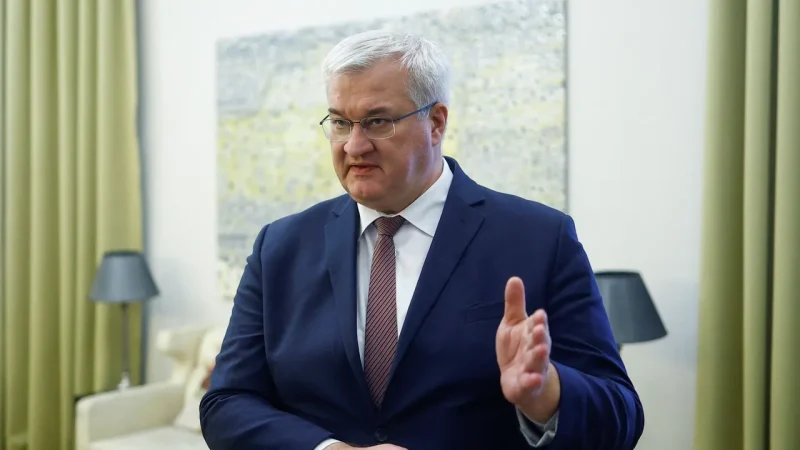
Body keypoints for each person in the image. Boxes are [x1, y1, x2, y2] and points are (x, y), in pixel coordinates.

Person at [200, 30, 644, 450]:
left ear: (436, 121)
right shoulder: (279, 247)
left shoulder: (540, 238)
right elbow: (227, 402)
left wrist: (545, 394)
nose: (354, 146)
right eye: (339, 122)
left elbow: (621, 415)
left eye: (377, 121)